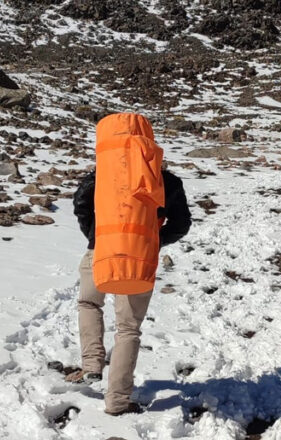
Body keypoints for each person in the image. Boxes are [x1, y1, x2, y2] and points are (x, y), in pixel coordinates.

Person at [69, 122, 191, 416]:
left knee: (88, 302)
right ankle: (118, 402)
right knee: (128, 329)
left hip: (99, 251)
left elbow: (80, 205)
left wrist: (95, 237)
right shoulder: (166, 180)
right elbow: (182, 224)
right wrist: (151, 241)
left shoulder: (101, 174)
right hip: (140, 259)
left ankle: (91, 365)